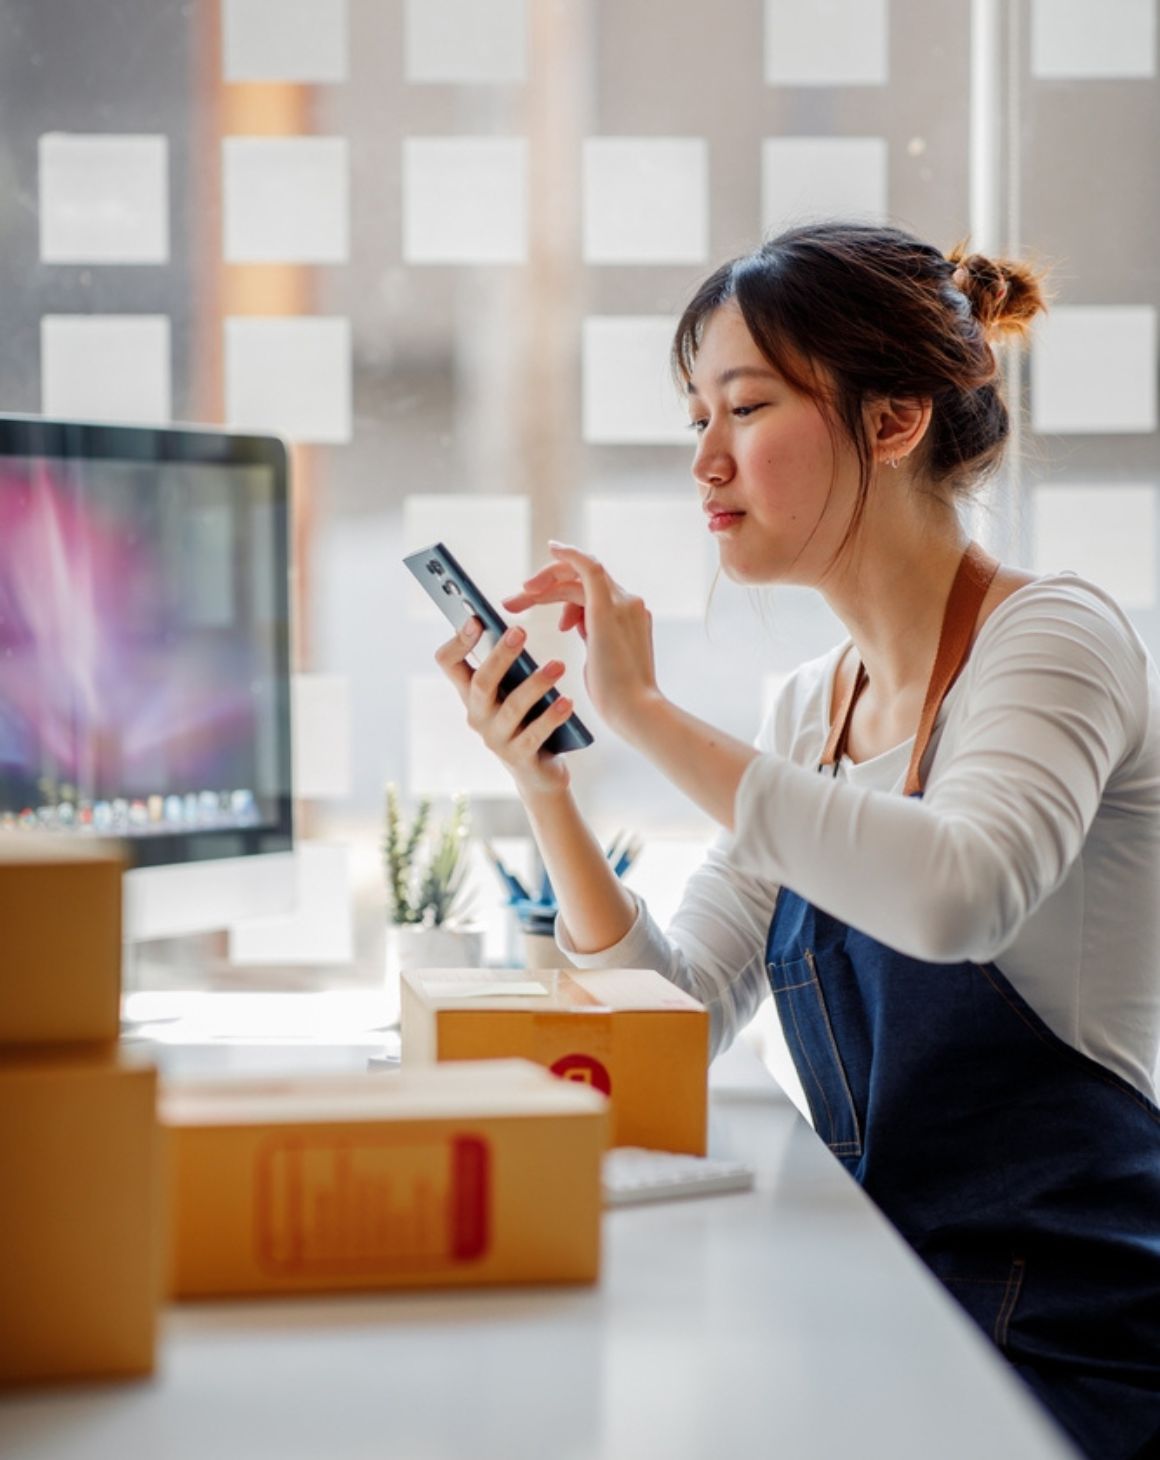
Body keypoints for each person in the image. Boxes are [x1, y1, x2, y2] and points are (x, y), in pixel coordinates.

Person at [433, 221, 1160, 1460]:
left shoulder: (1054, 640)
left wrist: (648, 716)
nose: (705, 460)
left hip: (1076, 1344)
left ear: (892, 421)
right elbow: (669, 1017)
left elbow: (957, 896)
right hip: (906, 1312)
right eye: (692, 418)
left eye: (745, 407)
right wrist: (545, 784)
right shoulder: (803, 713)